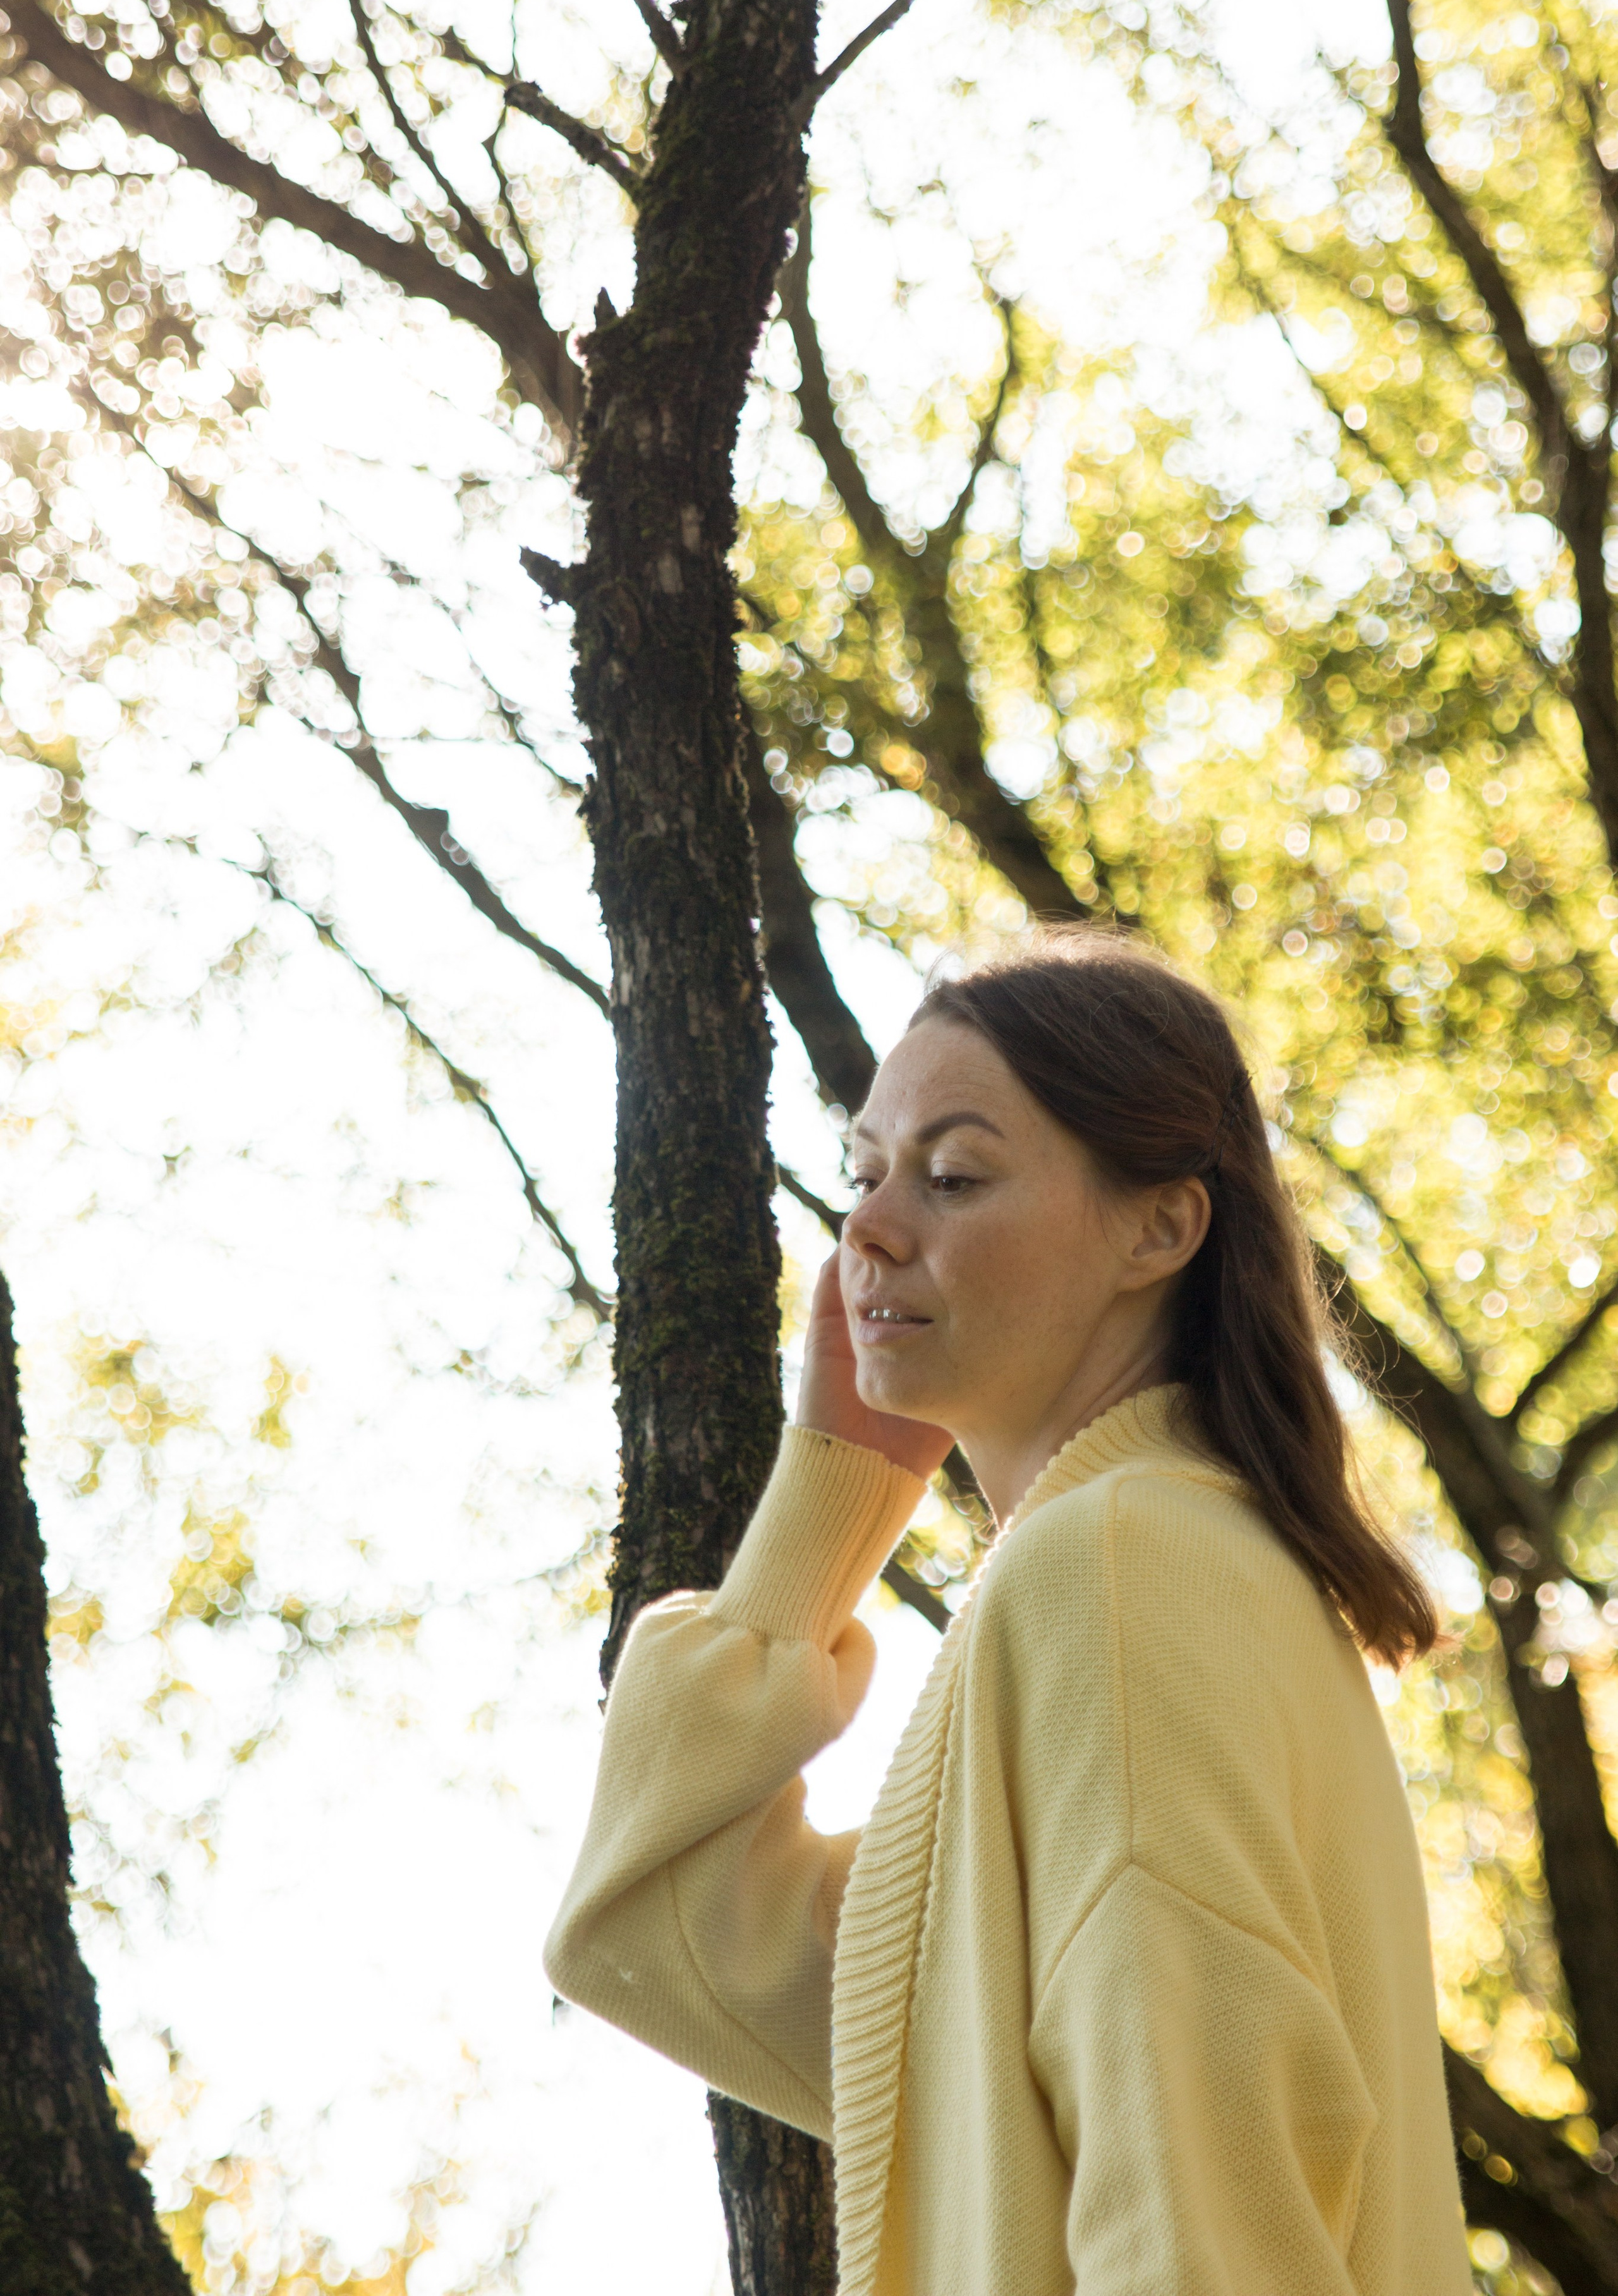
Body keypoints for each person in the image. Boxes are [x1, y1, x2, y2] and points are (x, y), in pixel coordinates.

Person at [545, 931, 1473, 2296]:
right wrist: (827, 1496)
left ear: (1159, 1226)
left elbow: (1191, 2229)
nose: (865, 1225)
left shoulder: (1114, 1571)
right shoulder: (1165, 1568)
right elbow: (651, 1935)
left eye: (953, 1175)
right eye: (862, 1174)